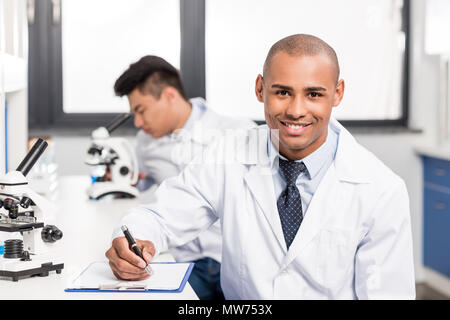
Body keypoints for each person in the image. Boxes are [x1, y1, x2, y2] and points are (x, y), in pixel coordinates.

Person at [106, 35, 415, 299]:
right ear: (260, 89)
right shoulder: (229, 152)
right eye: (282, 92)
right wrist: (134, 241)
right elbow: (160, 216)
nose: (295, 110)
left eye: (314, 94)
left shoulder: (381, 190)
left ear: (337, 94)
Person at [112, 55, 255, 300]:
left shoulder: (239, 133)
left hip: (231, 260)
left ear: (169, 95)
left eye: (141, 110)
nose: (137, 122)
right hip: (183, 261)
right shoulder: (146, 143)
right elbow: (139, 184)